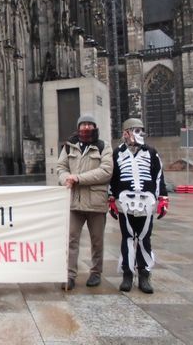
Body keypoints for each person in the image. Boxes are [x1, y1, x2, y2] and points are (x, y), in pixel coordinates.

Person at [108, 118, 168, 294]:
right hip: (124, 202)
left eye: (141, 130)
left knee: (144, 238)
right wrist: (111, 197)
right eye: (135, 130)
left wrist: (163, 197)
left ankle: (144, 273)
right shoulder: (117, 153)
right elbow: (113, 177)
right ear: (126, 133)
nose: (139, 134)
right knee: (127, 238)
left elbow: (158, 176)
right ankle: (127, 273)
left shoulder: (151, 152)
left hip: (146, 202)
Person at [56, 114, 113, 290]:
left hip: (96, 202)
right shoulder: (68, 147)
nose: (86, 128)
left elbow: (106, 172)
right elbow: (61, 168)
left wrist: (78, 178)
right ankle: (69, 275)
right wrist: (66, 178)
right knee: (71, 240)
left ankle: (96, 273)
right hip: (74, 202)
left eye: (90, 125)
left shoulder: (104, 147)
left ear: (95, 127)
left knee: (97, 241)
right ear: (78, 127)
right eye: (83, 125)